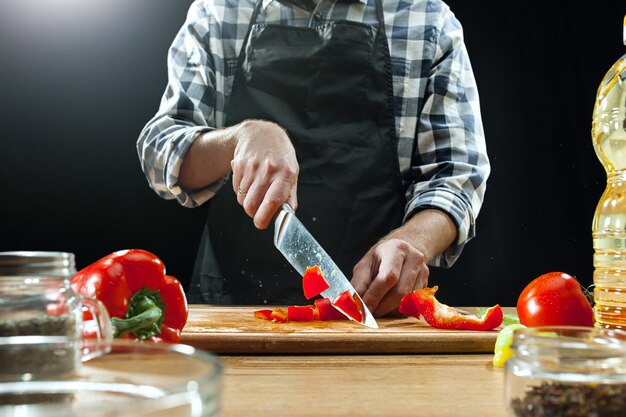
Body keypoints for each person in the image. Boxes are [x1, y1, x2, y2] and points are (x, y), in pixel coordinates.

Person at [137, 0, 490, 317]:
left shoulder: (427, 21)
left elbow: (455, 175)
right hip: (233, 312)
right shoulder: (220, 12)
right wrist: (239, 138)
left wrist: (412, 242)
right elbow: (160, 149)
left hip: (375, 305)